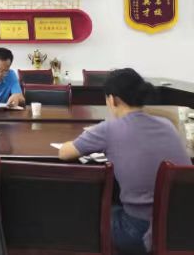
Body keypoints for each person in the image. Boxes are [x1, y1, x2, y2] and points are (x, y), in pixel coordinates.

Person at [58, 68, 191, 254]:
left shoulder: (109, 129)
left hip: (141, 231)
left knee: (89, 212)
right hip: (182, 225)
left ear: (112, 99)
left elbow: (64, 153)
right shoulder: (168, 125)